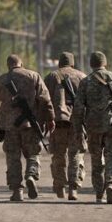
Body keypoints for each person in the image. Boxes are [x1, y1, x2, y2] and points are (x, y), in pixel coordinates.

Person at [72, 51, 112, 204]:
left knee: (96, 160)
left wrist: (78, 129)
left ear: (91, 64)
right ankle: (110, 183)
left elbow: (78, 108)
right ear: (105, 63)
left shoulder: (85, 82)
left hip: (92, 127)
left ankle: (99, 193)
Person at [0, 54, 55, 202]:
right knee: (33, 154)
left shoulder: (0, 80)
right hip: (30, 124)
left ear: (8, 65)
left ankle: (17, 191)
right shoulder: (33, 76)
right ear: (21, 63)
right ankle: (31, 176)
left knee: (13, 157)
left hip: (8, 126)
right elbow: (45, 99)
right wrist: (50, 118)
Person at [43, 52, 87, 201]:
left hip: (57, 122)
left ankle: (60, 186)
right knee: (75, 154)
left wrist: (44, 121)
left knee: (58, 154)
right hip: (77, 122)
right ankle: (73, 189)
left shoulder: (51, 76)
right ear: (73, 63)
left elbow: (43, 99)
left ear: (59, 63)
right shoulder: (82, 77)